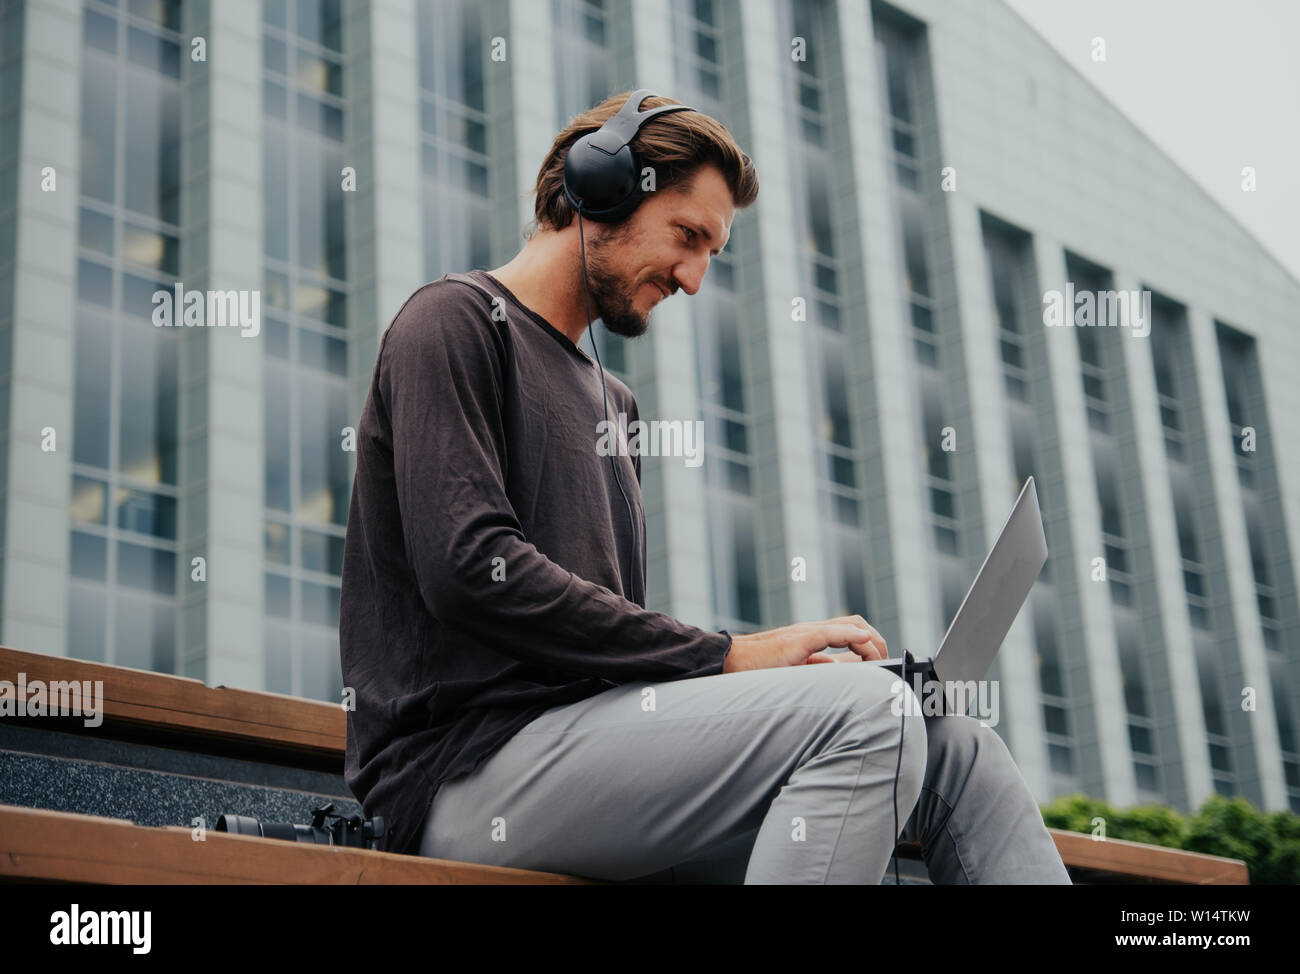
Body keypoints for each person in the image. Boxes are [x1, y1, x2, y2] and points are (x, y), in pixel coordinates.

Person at [339, 90, 1071, 884]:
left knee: (957, 746)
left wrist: (758, 681)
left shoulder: (614, 403)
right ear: (597, 187)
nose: (692, 279)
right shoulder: (452, 323)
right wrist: (729, 657)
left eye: (711, 254)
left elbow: (606, 639)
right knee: (877, 713)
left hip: (596, 759)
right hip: (466, 776)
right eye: (687, 237)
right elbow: (473, 573)